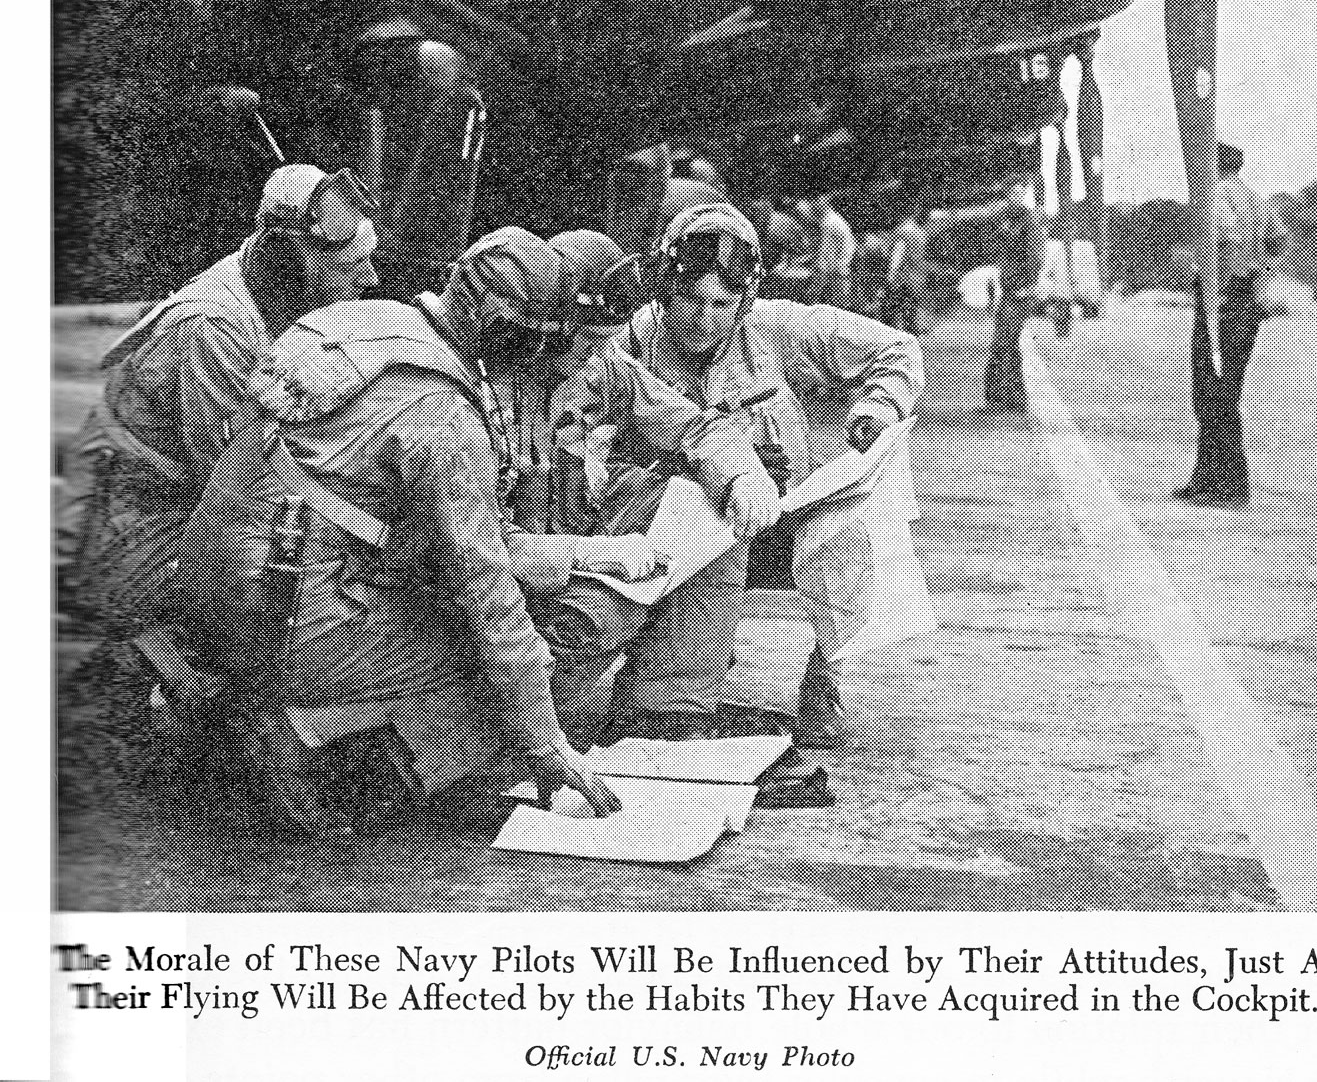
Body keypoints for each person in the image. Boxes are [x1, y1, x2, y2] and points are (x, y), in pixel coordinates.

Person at [172, 229, 656, 831]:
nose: (554, 364)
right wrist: (546, 740)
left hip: (219, 590)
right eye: (546, 342)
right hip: (298, 618)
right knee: (483, 703)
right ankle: (303, 757)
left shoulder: (365, 321)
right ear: (510, 332)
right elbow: (483, 587)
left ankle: (240, 713)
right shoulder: (439, 407)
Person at [608, 202, 925, 748]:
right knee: (688, 537)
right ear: (663, 291)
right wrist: (729, 473)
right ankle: (646, 683)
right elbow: (666, 431)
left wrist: (880, 405)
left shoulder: (774, 326)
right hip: (667, 515)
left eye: (722, 300)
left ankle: (820, 690)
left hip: (784, 504)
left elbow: (897, 348)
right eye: (689, 298)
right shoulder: (625, 345)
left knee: (850, 524)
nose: (704, 318)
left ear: (747, 296)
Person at [55, 165, 380, 632]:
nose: (370, 278)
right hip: (135, 544)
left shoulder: (268, 300)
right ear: (290, 257)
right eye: (351, 264)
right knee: (338, 616)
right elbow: (244, 485)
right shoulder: (210, 330)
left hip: (178, 519)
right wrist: (372, 526)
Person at [507, 229, 780, 741]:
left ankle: (668, 700)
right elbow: (471, 550)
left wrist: (743, 475)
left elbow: (696, 427)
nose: (594, 355)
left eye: (604, 337)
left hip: (576, 571)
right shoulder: (479, 390)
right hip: (497, 591)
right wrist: (595, 553)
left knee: (702, 507)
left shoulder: (605, 365)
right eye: (581, 337)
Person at [1174, 143, 1288, 508]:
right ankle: (1206, 476)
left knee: (1211, 394)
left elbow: (1222, 240)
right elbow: (1278, 241)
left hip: (1220, 299)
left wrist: (1214, 275)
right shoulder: (1258, 200)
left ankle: (1230, 482)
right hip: (1246, 300)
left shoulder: (1216, 198)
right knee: (1224, 391)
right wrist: (1262, 273)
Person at [983, 175, 1049, 414]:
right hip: (1009, 288)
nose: (1016, 197)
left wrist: (1027, 285)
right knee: (1003, 342)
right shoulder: (1004, 217)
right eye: (1012, 192)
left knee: (1006, 341)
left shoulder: (1029, 219)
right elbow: (996, 249)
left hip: (1020, 291)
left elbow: (1036, 256)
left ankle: (1012, 399)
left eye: (1020, 193)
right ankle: (1001, 398)